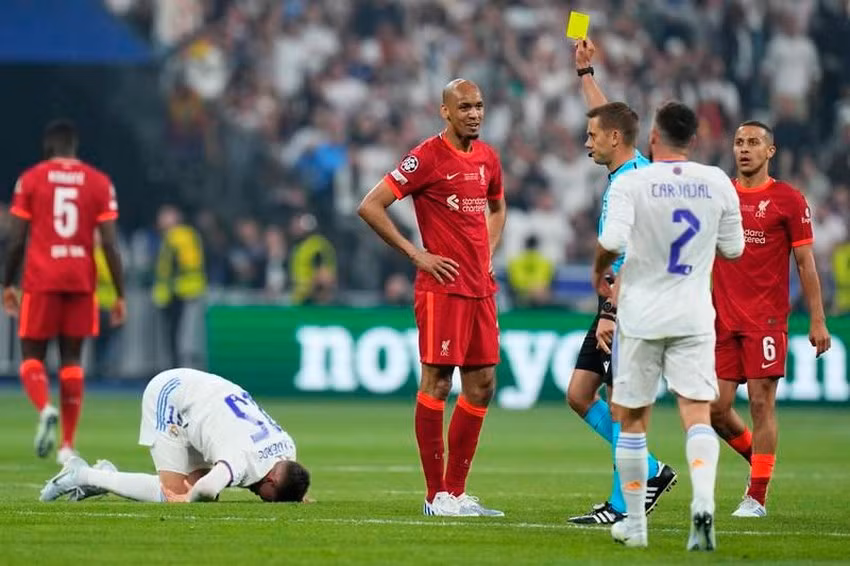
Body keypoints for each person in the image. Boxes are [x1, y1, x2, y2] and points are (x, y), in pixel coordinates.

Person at [592, 101, 745, 549]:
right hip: (694, 314)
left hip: (640, 314)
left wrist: (598, 267)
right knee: (696, 413)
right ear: (693, 140)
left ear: (653, 139)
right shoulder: (716, 181)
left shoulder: (633, 182)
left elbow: (613, 241)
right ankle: (703, 506)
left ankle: (636, 525)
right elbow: (733, 249)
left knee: (633, 417)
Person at [358, 78, 507, 517]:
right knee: (438, 383)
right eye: (464, 107)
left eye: (479, 106)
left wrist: (488, 251)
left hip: (481, 289)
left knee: (482, 385)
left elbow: (498, 206)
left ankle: (456, 494)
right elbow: (371, 205)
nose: (474, 114)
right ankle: (434, 496)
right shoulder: (426, 156)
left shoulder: (487, 157)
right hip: (442, 290)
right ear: (445, 111)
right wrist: (416, 254)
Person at [566, 38, 677, 525]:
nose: (587, 141)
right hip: (615, 299)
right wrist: (586, 74)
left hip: (628, 301)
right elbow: (609, 119)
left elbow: (630, 255)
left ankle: (622, 504)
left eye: (593, 137)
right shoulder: (632, 167)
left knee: (620, 405)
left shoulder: (631, 186)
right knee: (579, 394)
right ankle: (649, 470)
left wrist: (611, 313)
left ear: (613, 140)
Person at [710, 121, 831, 517]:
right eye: (739, 142)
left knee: (762, 404)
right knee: (714, 408)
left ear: (770, 152)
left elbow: (805, 264)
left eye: (754, 143)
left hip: (765, 319)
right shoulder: (719, 195)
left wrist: (818, 321)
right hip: (721, 319)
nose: (745, 149)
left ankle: (756, 496)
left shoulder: (788, 200)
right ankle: (759, 462)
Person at [2, 120, 126, 465]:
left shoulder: (30, 179)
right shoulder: (99, 182)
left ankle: (44, 408)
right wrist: (120, 294)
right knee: (72, 361)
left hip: (42, 278)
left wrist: (7, 284)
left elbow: (16, 239)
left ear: (48, 148)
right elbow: (111, 244)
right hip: (80, 281)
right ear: (75, 148)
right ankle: (67, 446)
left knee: (31, 355)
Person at [39, 368, 310, 503]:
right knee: (177, 496)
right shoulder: (243, 459)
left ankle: (105, 477)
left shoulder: (288, 447)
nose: (261, 498)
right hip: (172, 395)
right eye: (267, 497)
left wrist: (295, 496)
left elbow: (291, 475)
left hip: (208, 395)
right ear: (272, 479)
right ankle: (82, 474)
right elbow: (206, 488)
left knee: (197, 496)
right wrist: (189, 496)